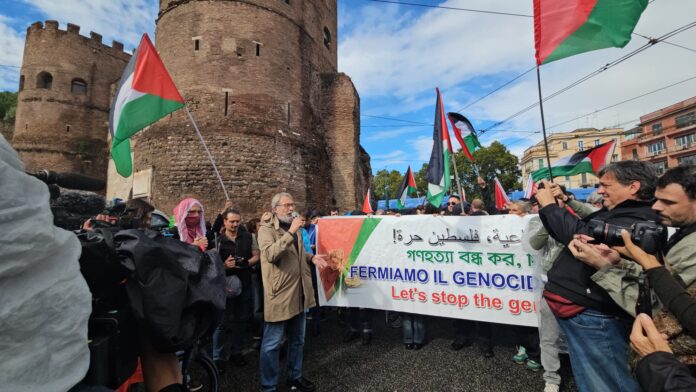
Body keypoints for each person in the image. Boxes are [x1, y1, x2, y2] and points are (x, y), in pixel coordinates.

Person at [535, 160, 661, 392]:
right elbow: (574, 230)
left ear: (633, 187)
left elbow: (581, 237)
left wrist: (550, 207)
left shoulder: (639, 219)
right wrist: (558, 206)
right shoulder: (617, 212)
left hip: (596, 316)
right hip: (587, 311)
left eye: (605, 185)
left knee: (607, 382)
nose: (599, 191)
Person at [257, 192, 327, 392]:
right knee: (272, 344)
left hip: (300, 292)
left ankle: (294, 378)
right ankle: (268, 386)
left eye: (292, 204)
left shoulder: (293, 228)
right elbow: (270, 254)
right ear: (275, 209)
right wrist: (290, 233)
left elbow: (297, 254)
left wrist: (311, 258)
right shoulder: (266, 230)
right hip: (280, 294)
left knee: (298, 340)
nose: (291, 208)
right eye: (286, 205)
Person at [212, 208, 259, 373]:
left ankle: (236, 352)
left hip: (244, 284)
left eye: (237, 221)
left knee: (240, 320)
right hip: (224, 286)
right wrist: (224, 266)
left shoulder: (248, 236)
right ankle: (217, 358)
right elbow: (211, 265)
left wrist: (246, 263)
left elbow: (256, 255)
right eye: (231, 221)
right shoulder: (217, 240)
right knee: (221, 323)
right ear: (224, 221)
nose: (235, 224)